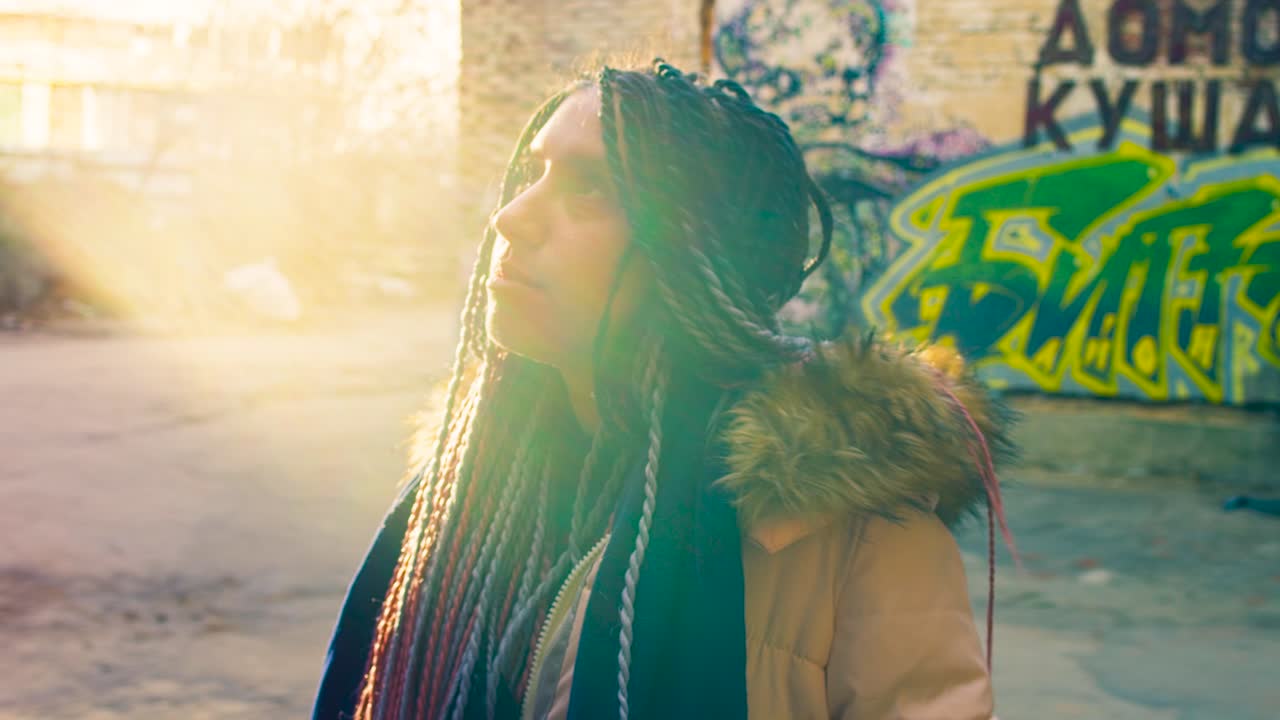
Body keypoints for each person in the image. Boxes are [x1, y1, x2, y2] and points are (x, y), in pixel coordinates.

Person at [312, 59, 1015, 720]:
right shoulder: (469, 485)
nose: (512, 217)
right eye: (532, 173)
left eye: (590, 188)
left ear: (699, 256)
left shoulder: (855, 529)